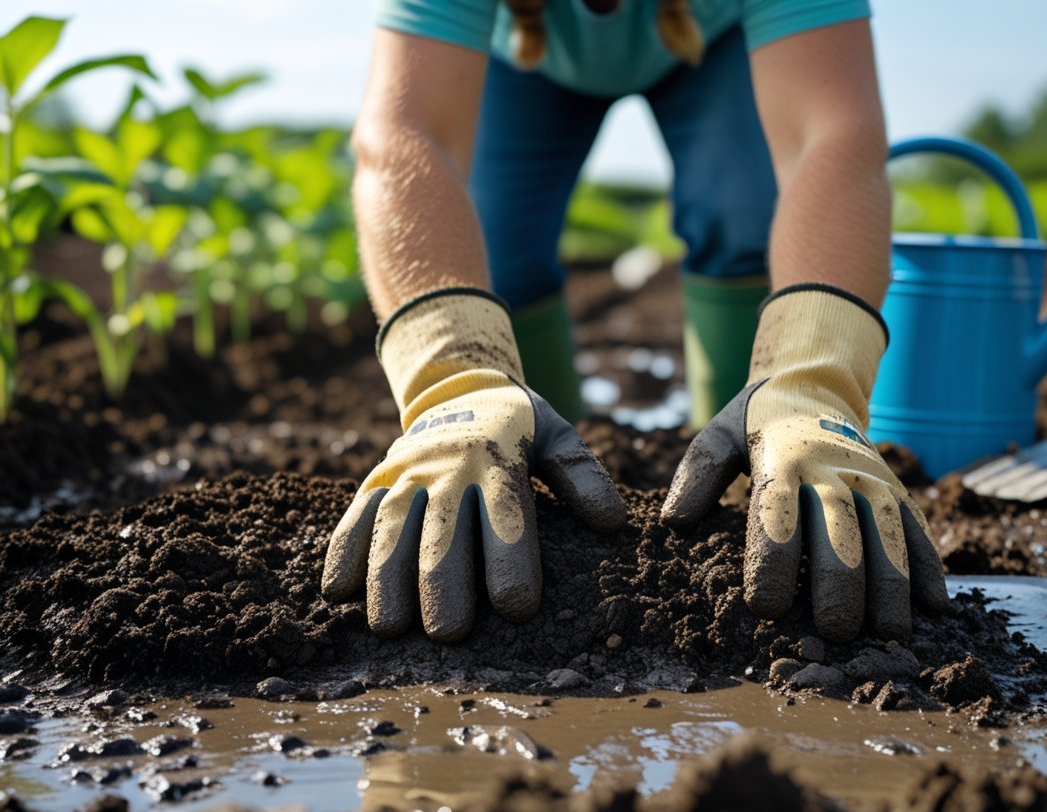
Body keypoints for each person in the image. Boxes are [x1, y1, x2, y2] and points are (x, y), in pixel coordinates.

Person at [323, 0, 949, 645]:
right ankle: (538, 502)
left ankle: (748, 495)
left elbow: (834, 133)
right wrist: (456, 386)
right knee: (493, 251)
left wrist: (812, 382)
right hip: (523, 59)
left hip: (717, 43)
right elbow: (405, 134)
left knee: (739, 219)